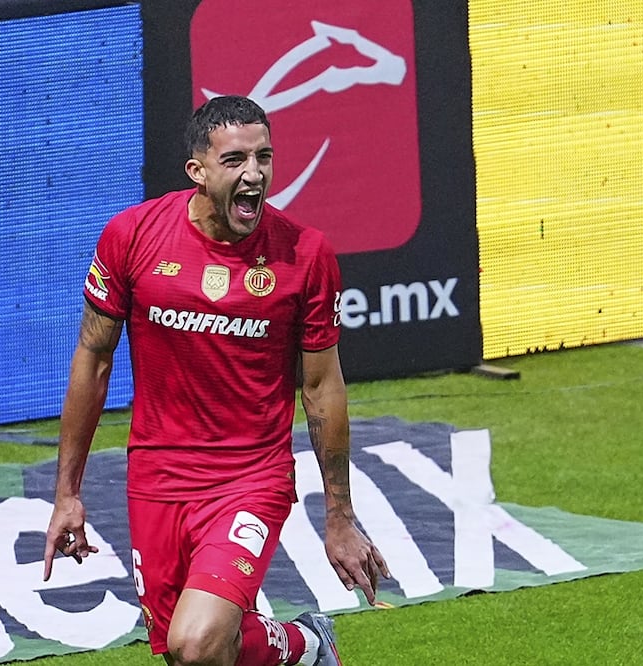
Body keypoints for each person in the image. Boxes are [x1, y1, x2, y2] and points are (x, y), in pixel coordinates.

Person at [42, 95, 390, 666]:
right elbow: (93, 358)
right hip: (156, 480)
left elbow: (322, 387)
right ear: (197, 172)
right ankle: (301, 645)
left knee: (196, 644)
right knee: (188, 653)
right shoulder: (132, 236)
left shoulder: (305, 255)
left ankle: (303, 645)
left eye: (264, 157)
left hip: (250, 478)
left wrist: (339, 515)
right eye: (235, 161)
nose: (254, 175)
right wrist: (67, 495)